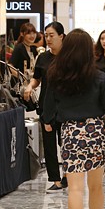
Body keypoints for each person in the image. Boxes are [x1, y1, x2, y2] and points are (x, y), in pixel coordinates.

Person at [42, 29, 105, 209]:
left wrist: (50, 120)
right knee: (96, 187)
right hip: (95, 132)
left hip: (70, 133)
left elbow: (47, 110)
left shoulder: (55, 74)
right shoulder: (100, 76)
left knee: (74, 188)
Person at [23, 21, 66, 193]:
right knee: (49, 145)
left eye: (51, 35)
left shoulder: (69, 57)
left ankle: (68, 176)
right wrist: (30, 86)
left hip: (66, 107)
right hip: (46, 106)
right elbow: (37, 78)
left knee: (67, 144)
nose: (48, 39)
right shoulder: (43, 58)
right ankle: (55, 179)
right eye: (46, 35)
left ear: (61, 36)